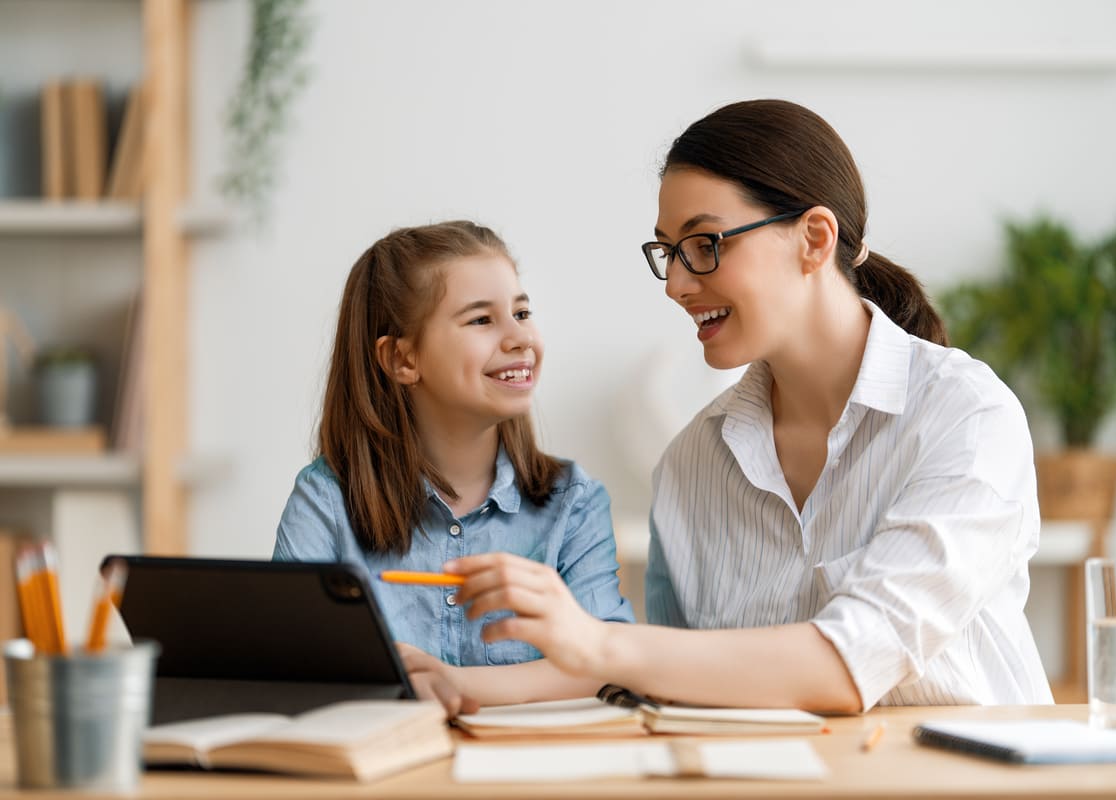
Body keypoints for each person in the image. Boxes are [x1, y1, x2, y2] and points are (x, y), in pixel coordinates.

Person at [443, 100, 1054, 714]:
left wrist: (597, 641)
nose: (677, 284)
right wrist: (453, 683)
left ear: (814, 239)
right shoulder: (691, 465)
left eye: (705, 244)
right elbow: (670, 689)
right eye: (668, 252)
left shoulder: (966, 417)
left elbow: (851, 662)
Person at [273, 220, 634, 713]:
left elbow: (609, 659)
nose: (518, 337)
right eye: (481, 320)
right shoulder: (326, 500)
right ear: (402, 358)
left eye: (522, 312)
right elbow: (291, 659)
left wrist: (445, 681)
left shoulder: (573, 502)